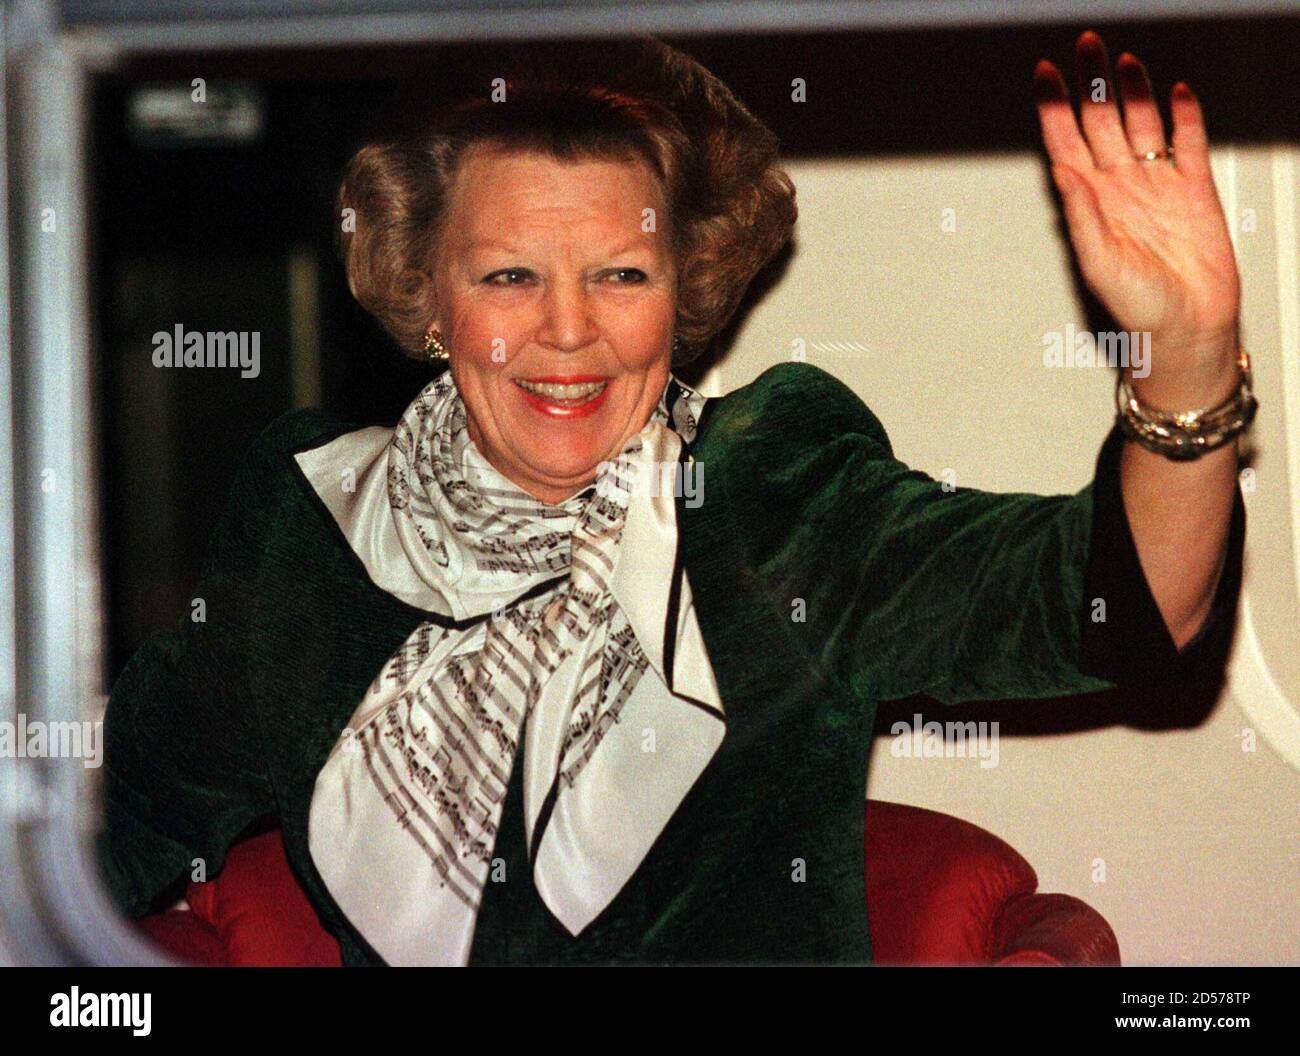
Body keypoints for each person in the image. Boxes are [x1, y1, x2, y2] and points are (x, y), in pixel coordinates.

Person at [96, 31, 1250, 966]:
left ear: (682, 289)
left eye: (621, 274)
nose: (568, 331)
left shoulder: (769, 504)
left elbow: (1119, 606)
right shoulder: (313, 531)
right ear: (426, 293)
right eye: (509, 275)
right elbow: (118, 813)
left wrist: (1186, 355)